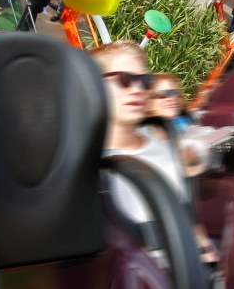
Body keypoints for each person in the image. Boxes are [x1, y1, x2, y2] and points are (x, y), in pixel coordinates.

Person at [91, 41, 217, 261]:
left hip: (188, 271)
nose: (138, 90)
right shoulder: (87, 164)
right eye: (124, 80)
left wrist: (206, 253)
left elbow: (187, 210)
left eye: (144, 81)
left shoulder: (164, 137)